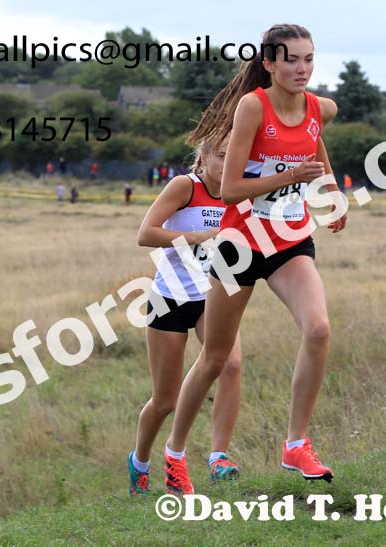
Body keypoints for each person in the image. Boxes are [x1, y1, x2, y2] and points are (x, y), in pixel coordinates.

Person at [163, 23, 346, 495]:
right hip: (239, 243)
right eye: (291, 60)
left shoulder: (318, 108)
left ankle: (295, 444)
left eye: (309, 59)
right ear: (269, 63)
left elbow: (316, 139)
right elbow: (228, 190)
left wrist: (329, 190)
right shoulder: (252, 107)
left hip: (288, 239)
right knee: (216, 358)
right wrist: (292, 176)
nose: (302, 69)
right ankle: (175, 454)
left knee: (319, 328)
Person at [129, 135, 242, 496]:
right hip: (171, 299)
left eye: (235, 155)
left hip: (215, 295)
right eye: (222, 155)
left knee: (232, 364)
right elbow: (146, 234)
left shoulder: (239, 191)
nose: (228, 163)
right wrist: (198, 237)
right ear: (204, 156)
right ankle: (140, 463)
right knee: (165, 401)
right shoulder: (185, 186)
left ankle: (218, 457)